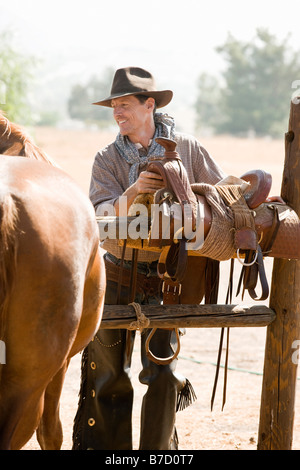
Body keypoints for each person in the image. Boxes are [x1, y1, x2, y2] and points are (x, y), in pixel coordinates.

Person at [72, 67, 226, 450]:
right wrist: (135, 188)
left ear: (150, 105)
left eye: (124, 105)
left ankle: (158, 454)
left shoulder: (187, 148)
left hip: (168, 280)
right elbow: (101, 217)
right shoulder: (106, 158)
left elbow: (219, 198)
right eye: (114, 106)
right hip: (115, 275)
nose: (117, 113)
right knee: (108, 376)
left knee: (162, 375)